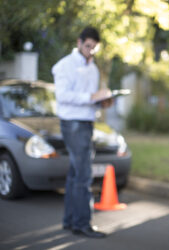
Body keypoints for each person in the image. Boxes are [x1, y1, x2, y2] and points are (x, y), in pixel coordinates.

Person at [52, 27, 112, 238]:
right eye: (88, 46)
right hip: (72, 124)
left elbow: (90, 100)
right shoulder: (64, 66)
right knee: (84, 174)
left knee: (75, 174)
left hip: (86, 123)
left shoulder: (93, 68)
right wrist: (91, 96)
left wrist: (101, 103)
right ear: (79, 43)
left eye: (94, 48)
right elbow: (62, 96)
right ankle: (82, 224)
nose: (91, 51)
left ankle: (70, 221)